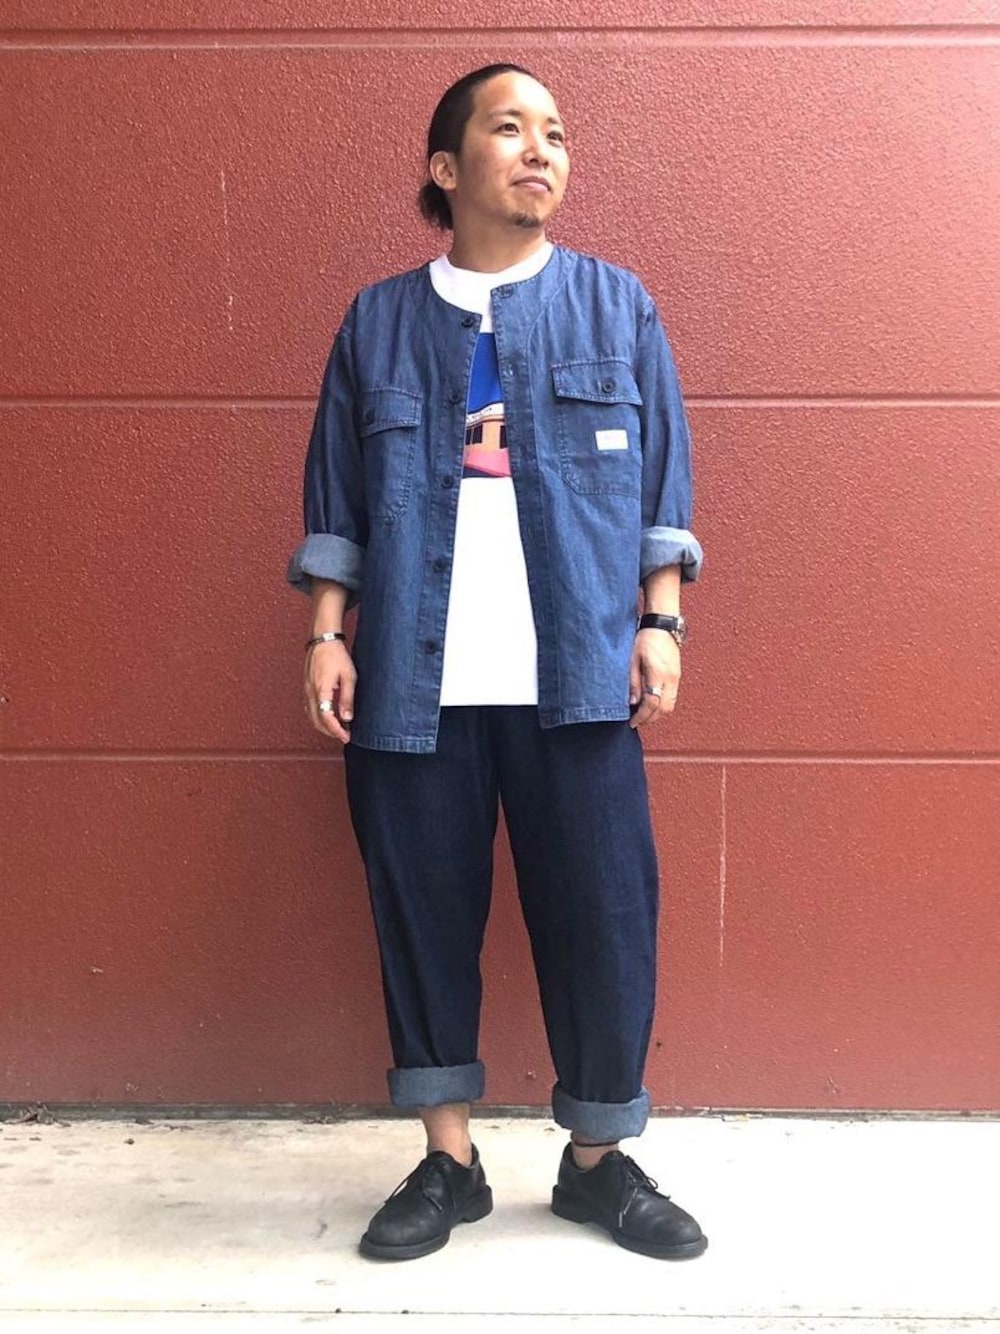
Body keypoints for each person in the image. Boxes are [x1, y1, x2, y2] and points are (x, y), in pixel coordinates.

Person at [286, 63, 707, 1263]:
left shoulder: (616, 307)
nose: (540, 149)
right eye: (508, 127)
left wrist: (660, 620)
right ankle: (448, 1161)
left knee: (605, 917)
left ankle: (597, 1161)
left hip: (577, 677)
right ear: (445, 166)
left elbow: (662, 482)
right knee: (422, 917)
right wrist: (327, 633)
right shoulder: (377, 321)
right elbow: (337, 493)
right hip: (412, 688)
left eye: (555, 133)